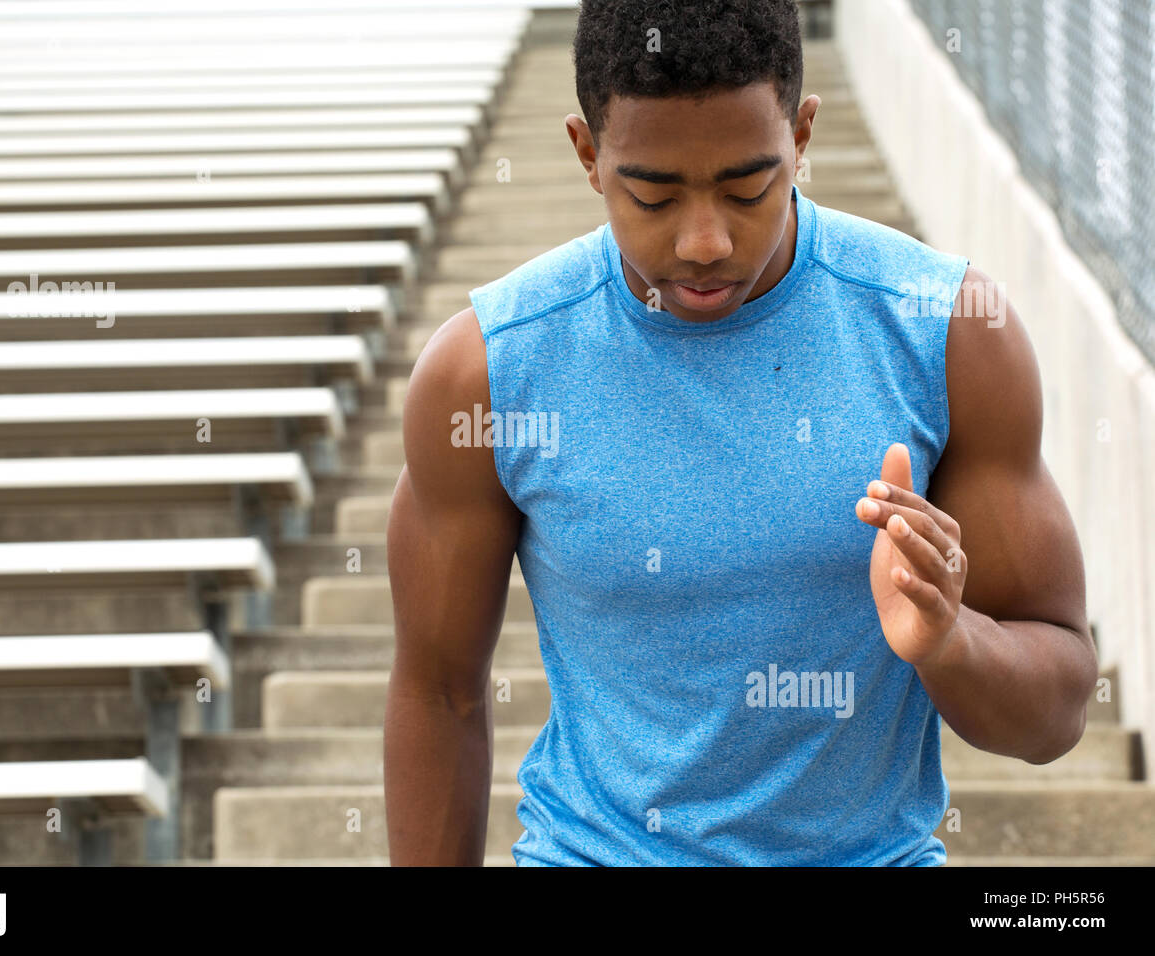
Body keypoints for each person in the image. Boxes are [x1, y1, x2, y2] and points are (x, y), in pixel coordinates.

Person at [384, 0, 1095, 866]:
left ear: (801, 135)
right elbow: (439, 693)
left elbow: (1057, 714)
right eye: (651, 193)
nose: (704, 240)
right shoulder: (487, 372)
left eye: (747, 186)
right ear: (586, 153)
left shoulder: (946, 332)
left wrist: (953, 641)